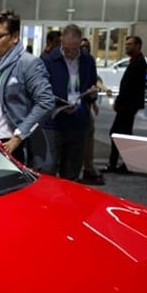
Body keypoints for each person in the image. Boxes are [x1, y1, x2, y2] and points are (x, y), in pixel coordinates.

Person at [0, 9, 55, 167]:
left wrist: (17, 137)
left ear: (14, 37)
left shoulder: (28, 63)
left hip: (13, 144)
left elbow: (46, 102)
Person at [42, 23, 98, 180]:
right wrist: (57, 104)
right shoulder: (48, 60)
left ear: (80, 43)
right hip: (53, 123)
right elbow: (41, 91)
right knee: (48, 168)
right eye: (66, 48)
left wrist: (93, 94)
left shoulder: (88, 60)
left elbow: (91, 85)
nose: (70, 53)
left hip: (78, 122)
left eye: (74, 49)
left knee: (72, 170)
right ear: (61, 42)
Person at [106, 35, 147, 174]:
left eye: (130, 44)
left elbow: (130, 87)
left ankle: (119, 163)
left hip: (128, 105)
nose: (127, 46)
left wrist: (119, 101)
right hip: (128, 104)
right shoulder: (135, 62)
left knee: (118, 134)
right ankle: (122, 163)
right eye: (126, 44)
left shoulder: (139, 63)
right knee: (123, 134)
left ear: (138, 46)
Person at [79, 36, 104, 184]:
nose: (85, 50)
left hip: (86, 105)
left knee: (89, 137)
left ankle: (88, 167)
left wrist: (93, 102)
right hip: (74, 107)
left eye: (87, 47)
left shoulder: (89, 62)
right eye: (82, 47)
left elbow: (94, 81)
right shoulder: (76, 62)